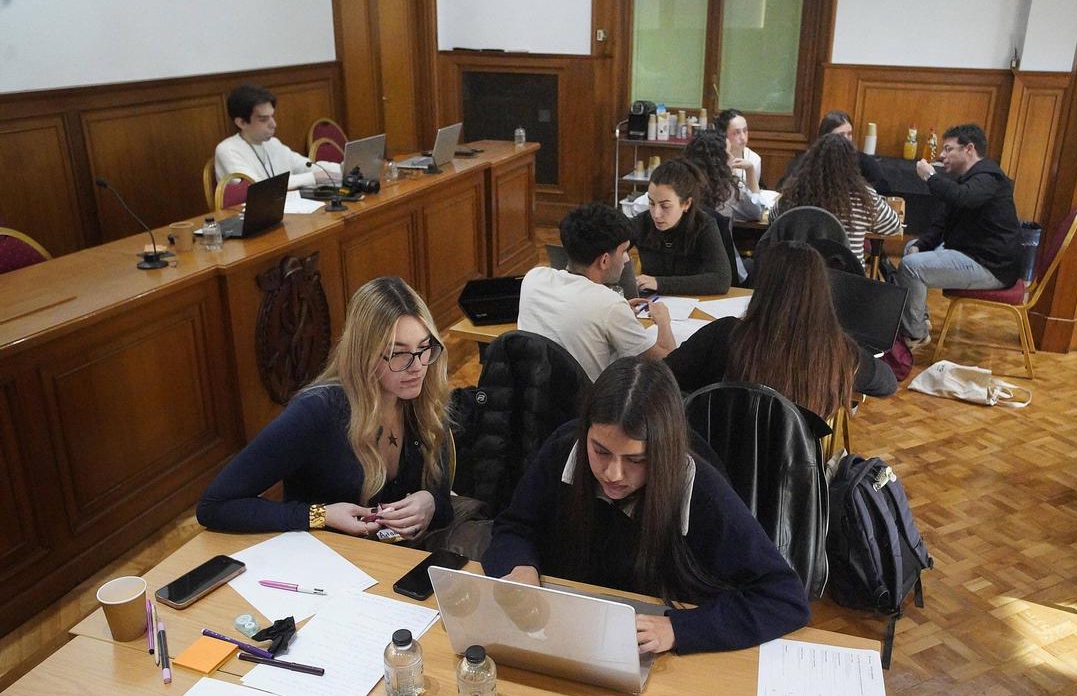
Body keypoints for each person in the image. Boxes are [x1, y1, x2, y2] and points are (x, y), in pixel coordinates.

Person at [482, 357, 810, 655]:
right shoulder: (565, 448)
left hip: (658, 649)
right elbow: (514, 527)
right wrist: (520, 567)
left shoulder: (702, 491)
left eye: (636, 460)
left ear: (664, 451)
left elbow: (784, 597)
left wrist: (680, 629)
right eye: (600, 451)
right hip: (569, 627)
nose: (613, 474)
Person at [196, 277, 453, 540]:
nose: (417, 367)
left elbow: (444, 503)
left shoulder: (423, 400)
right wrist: (320, 515)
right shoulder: (316, 411)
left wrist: (431, 502)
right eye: (398, 353)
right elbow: (214, 505)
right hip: (327, 558)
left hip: (399, 558)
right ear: (364, 353)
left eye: (424, 348)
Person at [665, 243, 895, 418]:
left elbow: (663, 376)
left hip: (720, 457)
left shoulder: (725, 335)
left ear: (762, 288)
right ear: (822, 293)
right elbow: (887, 384)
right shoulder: (837, 351)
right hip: (797, 462)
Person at [519, 203, 675, 381]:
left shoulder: (533, 278)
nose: (626, 259)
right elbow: (666, 363)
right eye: (624, 251)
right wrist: (663, 321)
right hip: (590, 397)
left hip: (533, 391)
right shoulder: (610, 305)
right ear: (604, 260)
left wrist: (620, 313)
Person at [900, 123, 1021, 348]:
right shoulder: (967, 179)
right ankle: (919, 322)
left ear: (969, 149)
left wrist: (930, 177)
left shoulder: (989, 177)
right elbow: (942, 223)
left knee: (910, 267)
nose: (942, 155)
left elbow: (961, 197)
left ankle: (915, 334)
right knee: (911, 248)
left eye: (948, 149)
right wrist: (922, 245)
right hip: (972, 253)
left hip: (991, 266)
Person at [771, 133, 901, 266]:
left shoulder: (796, 191)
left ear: (812, 161)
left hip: (799, 272)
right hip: (847, 274)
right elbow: (893, 225)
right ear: (852, 165)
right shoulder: (863, 196)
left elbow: (773, 218)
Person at [630, 159, 731, 295]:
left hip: (694, 302)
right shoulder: (642, 222)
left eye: (665, 206)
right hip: (651, 302)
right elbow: (612, 246)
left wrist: (659, 283)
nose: (656, 214)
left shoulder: (704, 226)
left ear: (686, 204)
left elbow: (721, 280)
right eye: (651, 203)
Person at [213, 84, 341, 191]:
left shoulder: (273, 143)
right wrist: (313, 178)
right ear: (241, 123)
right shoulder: (227, 150)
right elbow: (258, 187)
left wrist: (343, 169)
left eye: (272, 116)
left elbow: (306, 166)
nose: (274, 124)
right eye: (264, 119)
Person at [817, 109, 886, 193]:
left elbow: (882, 188)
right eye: (840, 135)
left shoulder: (865, 162)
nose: (846, 139)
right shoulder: (814, 161)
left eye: (849, 134)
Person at [715, 108, 761, 192]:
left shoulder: (754, 159)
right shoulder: (713, 157)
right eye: (736, 133)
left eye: (745, 131)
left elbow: (755, 197)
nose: (743, 137)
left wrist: (750, 169)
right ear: (723, 135)